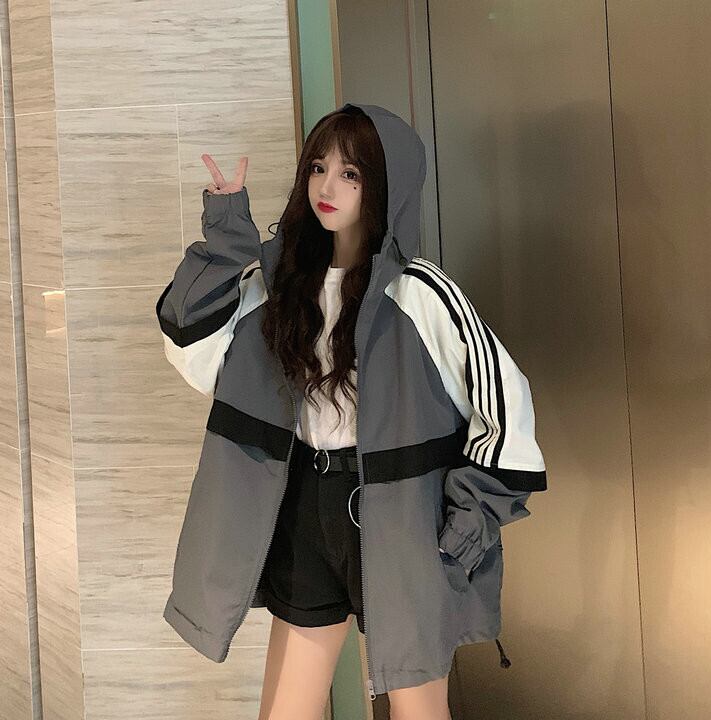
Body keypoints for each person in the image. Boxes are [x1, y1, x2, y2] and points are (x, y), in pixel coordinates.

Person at [156, 103, 547, 720]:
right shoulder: (278, 284)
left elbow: (506, 404)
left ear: (385, 186)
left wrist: (467, 521)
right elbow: (190, 342)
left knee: (417, 710)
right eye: (318, 168)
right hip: (304, 506)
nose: (328, 187)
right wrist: (228, 234)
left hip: (402, 516)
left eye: (351, 174)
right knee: (286, 710)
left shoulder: (420, 293)